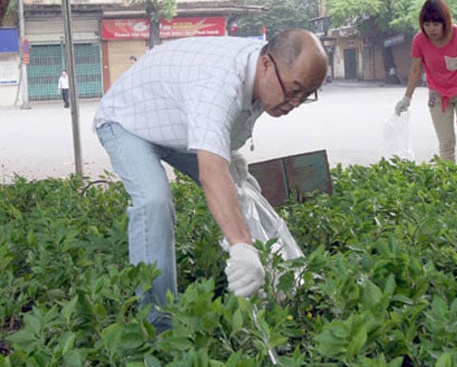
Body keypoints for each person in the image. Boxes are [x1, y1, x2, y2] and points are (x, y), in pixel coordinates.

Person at [93, 28, 328, 332]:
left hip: (176, 124)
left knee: (243, 189)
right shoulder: (219, 83)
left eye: (305, 95)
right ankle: (158, 326)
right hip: (127, 121)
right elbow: (211, 170)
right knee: (154, 201)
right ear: (267, 64)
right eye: (294, 90)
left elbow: (222, 151)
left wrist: (233, 167)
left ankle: (277, 288)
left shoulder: (263, 72)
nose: (295, 102)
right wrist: (241, 246)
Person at [395, 0, 457, 163]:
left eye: (436, 25)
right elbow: (416, 70)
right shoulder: (419, 40)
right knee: (446, 143)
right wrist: (407, 98)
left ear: (445, 23)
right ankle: (449, 182)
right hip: (437, 95)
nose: (431, 29)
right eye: (427, 24)